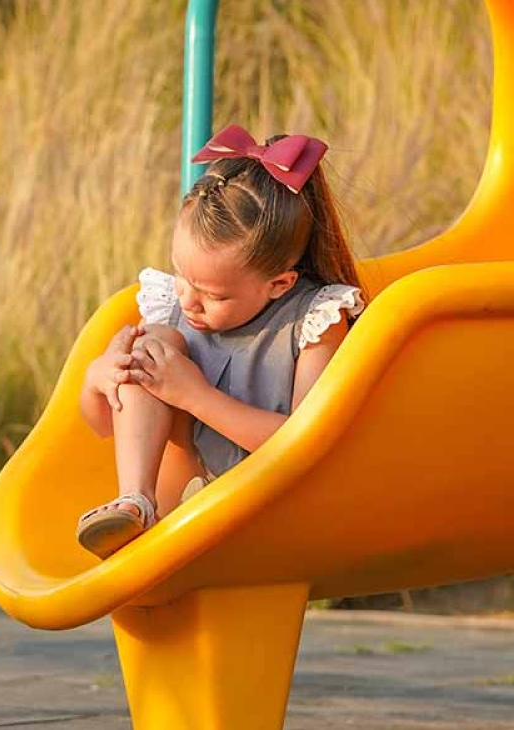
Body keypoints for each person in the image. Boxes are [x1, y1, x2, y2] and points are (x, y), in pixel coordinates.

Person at [75, 124, 366, 559]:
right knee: (152, 344)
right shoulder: (173, 312)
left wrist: (194, 396)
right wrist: (101, 380)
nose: (189, 301)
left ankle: (174, 512)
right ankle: (136, 502)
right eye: (181, 275)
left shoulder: (315, 321)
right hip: (188, 492)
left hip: (273, 505)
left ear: (279, 284)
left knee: (161, 356)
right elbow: (101, 426)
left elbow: (308, 446)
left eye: (214, 295)